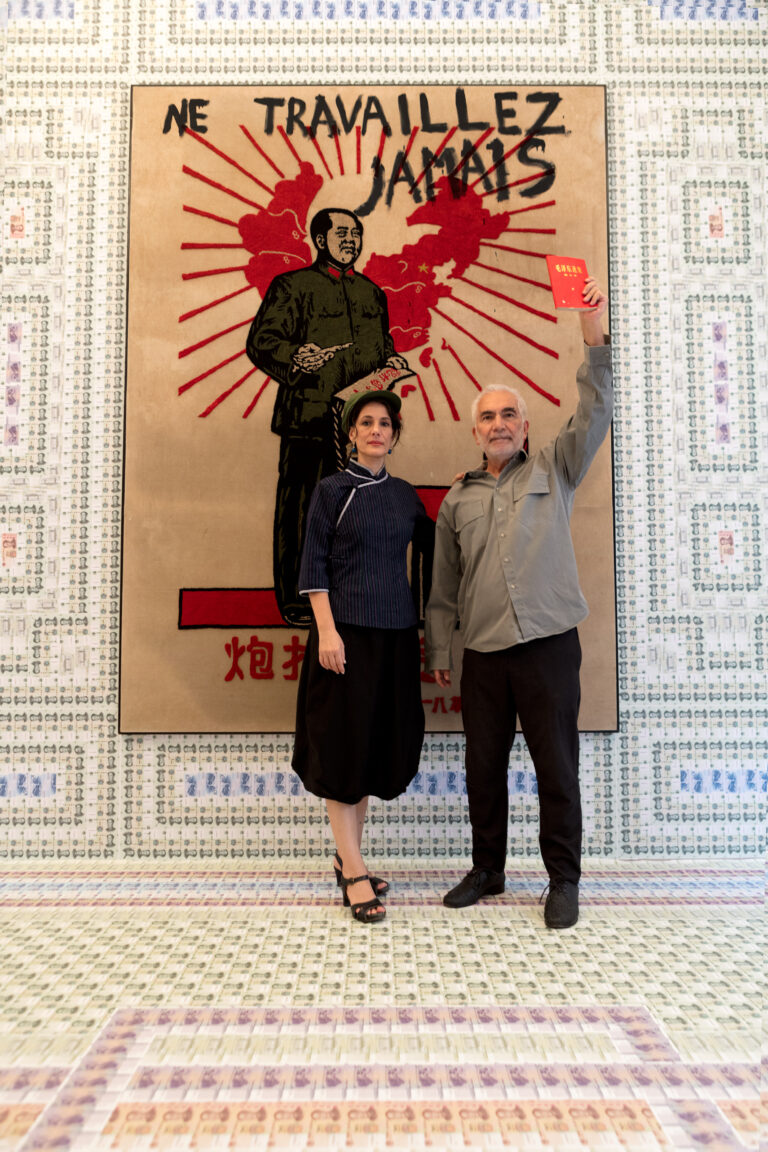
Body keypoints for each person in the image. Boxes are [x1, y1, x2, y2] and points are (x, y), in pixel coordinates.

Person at [424, 278, 612, 929]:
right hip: (482, 655)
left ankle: (564, 879)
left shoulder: (554, 468)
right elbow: (443, 586)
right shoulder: (458, 499)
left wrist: (592, 328)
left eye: (509, 415)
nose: (499, 424)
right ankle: (488, 870)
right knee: (484, 770)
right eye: (487, 417)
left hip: (549, 647)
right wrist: (441, 650)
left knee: (557, 767)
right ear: (474, 430)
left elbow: (596, 408)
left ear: (525, 426)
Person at [292, 390, 430, 924]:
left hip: (394, 635)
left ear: (395, 434)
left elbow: (431, 549)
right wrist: (327, 632)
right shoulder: (332, 490)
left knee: (370, 749)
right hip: (343, 636)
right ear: (351, 433)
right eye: (366, 422)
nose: (376, 430)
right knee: (342, 751)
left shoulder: (404, 496)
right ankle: (353, 870)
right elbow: (313, 567)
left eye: (385, 423)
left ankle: (349, 855)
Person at [246, 209, 408, 625]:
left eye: (356, 233)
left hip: (360, 428)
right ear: (320, 240)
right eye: (342, 233)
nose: (351, 240)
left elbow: (380, 343)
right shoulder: (292, 286)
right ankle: (298, 602)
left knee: (358, 514)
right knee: (302, 513)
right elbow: (262, 342)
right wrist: (294, 356)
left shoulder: (372, 293)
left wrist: (390, 359)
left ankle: (348, 595)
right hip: (308, 420)